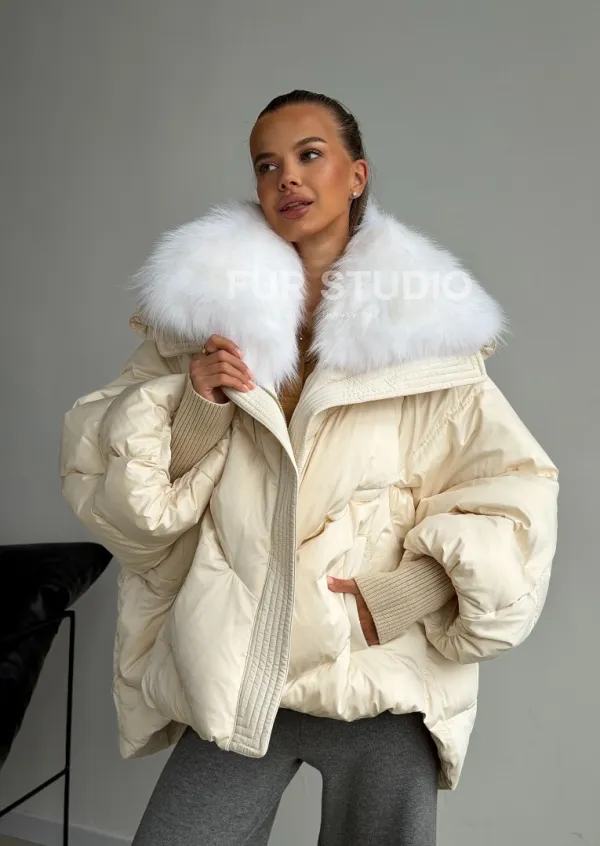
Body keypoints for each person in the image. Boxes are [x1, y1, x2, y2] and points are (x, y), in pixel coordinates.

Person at [59, 89, 559, 846]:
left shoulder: (426, 338)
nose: (286, 177)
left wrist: (397, 597)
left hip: (377, 672)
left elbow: (515, 496)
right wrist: (198, 405)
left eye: (309, 155)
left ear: (357, 176)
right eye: (267, 164)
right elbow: (123, 504)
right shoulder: (199, 327)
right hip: (237, 669)